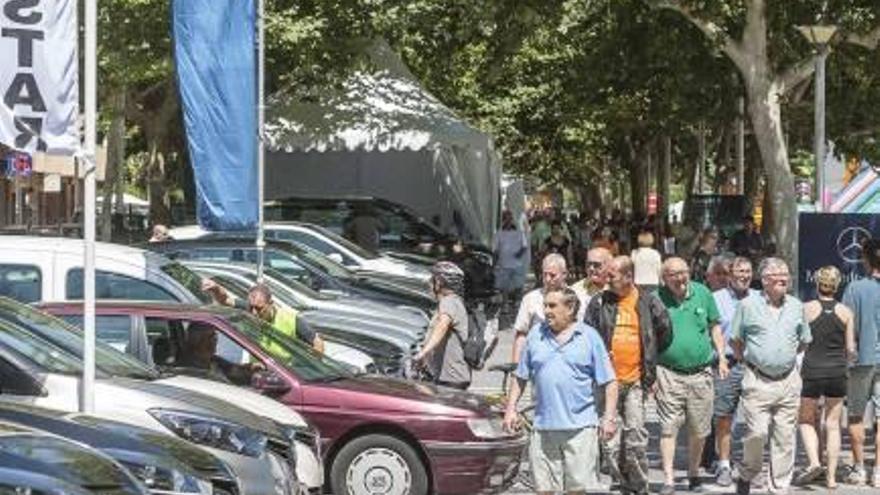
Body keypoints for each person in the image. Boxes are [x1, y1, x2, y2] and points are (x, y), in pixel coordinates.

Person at [503, 287, 618, 495]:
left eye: (552, 306)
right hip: (543, 429)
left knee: (576, 490)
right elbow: (520, 376)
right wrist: (511, 409)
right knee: (544, 490)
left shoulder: (589, 337)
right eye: (545, 305)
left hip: (580, 430)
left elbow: (609, 381)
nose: (546, 311)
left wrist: (609, 418)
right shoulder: (535, 335)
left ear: (570, 308)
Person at [584, 256, 672, 495]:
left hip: (635, 382)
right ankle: (621, 484)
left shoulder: (648, 302)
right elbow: (587, 335)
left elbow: (664, 333)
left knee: (635, 439)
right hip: (606, 381)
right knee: (609, 443)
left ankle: (640, 487)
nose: (606, 279)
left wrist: (649, 362)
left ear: (628, 277)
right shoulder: (599, 302)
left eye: (611, 275)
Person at [731, 258, 811, 495]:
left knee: (785, 440)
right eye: (777, 275)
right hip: (758, 381)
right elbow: (735, 340)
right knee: (756, 433)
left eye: (786, 274)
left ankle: (779, 488)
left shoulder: (797, 306)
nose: (783, 278)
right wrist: (749, 362)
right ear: (764, 280)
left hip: (788, 381)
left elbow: (803, 341)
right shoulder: (747, 306)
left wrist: (785, 362)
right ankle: (747, 472)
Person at [655, 257, 726, 495]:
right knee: (668, 428)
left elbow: (714, 326)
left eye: (683, 272)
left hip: (700, 374)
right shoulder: (655, 298)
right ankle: (668, 478)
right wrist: (651, 374)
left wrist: (722, 356)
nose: (680, 278)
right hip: (668, 373)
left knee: (699, 429)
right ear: (664, 278)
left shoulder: (703, 293)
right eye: (674, 274)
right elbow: (648, 336)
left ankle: (694, 472)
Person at [794, 266, 855, 489]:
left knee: (806, 420)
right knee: (833, 424)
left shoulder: (806, 309)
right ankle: (830, 478)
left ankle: (814, 462)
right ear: (838, 285)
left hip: (812, 370)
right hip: (837, 371)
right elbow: (850, 349)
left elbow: (800, 342)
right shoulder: (846, 312)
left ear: (816, 283)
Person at [710, 257, 758, 487]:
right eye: (739, 271)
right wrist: (719, 357)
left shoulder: (760, 298)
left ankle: (749, 466)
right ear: (729, 275)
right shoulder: (716, 299)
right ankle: (724, 464)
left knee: (754, 419)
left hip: (754, 366)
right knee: (724, 417)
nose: (744, 275)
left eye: (748, 271)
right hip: (726, 364)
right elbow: (713, 331)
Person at [842, 238, 880, 487]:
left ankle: (859, 468)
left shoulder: (855, 289)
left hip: (861, 359)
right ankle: (878, 471)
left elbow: (846, 325)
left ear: (865, 260)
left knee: (855, 414)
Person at [202, 280, 325, 354]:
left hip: (285, 379)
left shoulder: (290, 318)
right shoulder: (249, 309)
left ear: (270, 304)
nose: (254, 313)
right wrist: (216, 288)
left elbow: (318, 343)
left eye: (259, 308)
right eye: (251, 307)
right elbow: (225, 300)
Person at [412, 261, 471, 390]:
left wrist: (423, 352)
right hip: (448, 376)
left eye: (431, 280)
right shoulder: (453, 302)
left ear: (438, 282)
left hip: (451, 378)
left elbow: (442, 326)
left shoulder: (448, 302)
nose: (428, 284)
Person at [511, 253, 571, 363]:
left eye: (553, 275)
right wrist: (515, 367)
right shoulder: (530, 299)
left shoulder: (575, 298)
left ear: (564, 274)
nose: (548, 279)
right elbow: (521, 335)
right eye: (544, 275)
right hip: (537, 361)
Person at [175, 321, 263, 385]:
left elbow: (233, 369)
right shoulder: (189, 367)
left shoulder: (212, 360)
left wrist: (251, 367)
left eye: (215, 335)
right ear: (197, 340)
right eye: (210, 336)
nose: (215, 339)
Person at [494, 210, 529, 311]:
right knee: (504, 286)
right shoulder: (499, 234)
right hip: (504, 263)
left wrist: (519, 254)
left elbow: (524, 246)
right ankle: (506, 304)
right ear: (503, 220)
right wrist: (495, 263)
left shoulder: (519, 233)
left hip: (517, 264)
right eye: (506, 218)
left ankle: (517, 302)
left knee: (518, 284)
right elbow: (496, 249)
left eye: (510, 218)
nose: (508, 221)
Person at [572, 247, 613, 320]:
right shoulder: (575, 291)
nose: (591, 268)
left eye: (596, 265)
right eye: (588, 264)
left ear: (609, 266)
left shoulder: (616, 288)